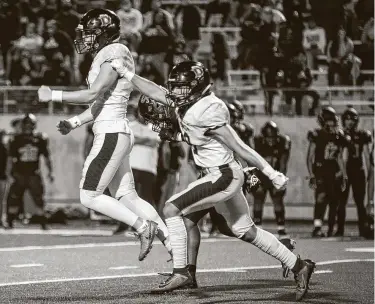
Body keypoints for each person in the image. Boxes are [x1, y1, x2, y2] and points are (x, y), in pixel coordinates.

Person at [111, 59, 316, 300]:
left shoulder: (208, 109)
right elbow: (155, 90)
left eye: (180, 87)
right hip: (216, 173)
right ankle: (299, 265)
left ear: (196, 87)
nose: (175, 92)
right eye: (174, 87)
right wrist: (127, 73)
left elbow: (239, 146)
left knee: (171, 209)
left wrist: (270, 173)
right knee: (245, 230)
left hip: (223, 175)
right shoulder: (187, 103)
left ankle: (182, 272)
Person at [37, 8, 171, 261]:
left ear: (101, 32)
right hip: (114, 129)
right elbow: (101, 103)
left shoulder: (113, 52)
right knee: (127, 196)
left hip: (111, 132)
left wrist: (53, 95)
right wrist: (75, 121)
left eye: (88, 32)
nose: (84, 38)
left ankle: (143, 227)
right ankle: (177, 253)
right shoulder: (108, 53)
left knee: (89, 195)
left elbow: (91, 94)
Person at [4, 114, 53, 229]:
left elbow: (46, 157)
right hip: (20, 173)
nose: (28, 127)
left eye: (30, 124)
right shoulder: (16, 139)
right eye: (26, 124)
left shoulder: (40, 138)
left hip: (33, 173)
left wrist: (50, 171)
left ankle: (43, 223)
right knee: (14, 198)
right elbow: (10, 158)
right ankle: (10, 222)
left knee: (38, 198)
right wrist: (8, 173)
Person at [307, 107, 349, 237]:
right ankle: (317, 227)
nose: (332, 123)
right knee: (320, 198)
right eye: (329, 120)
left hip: (334, 171)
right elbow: (310, 157)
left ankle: (331, 228)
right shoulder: (317, 134)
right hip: (320, 170)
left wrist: (344, 174)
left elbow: (340, 157)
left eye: (333, 120)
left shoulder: (339, 135)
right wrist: (312, 175)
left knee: (334, 200)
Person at [336, 107, 372, 237]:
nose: (349, 122)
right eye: (347, 119)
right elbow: (340, 156)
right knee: (341, 202)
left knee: (359, 202)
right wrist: (342, 173)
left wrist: (370, 172)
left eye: (352, 119)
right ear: (343, 120)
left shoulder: (363, 134)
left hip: (358, 171)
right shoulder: (340, 134)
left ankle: (363, 229)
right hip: (346, 171)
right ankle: (339, 229)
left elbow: (367, 156)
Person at [253, 121, 291, 237]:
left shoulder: (283, 142)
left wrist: (280, 180)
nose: (271, 140)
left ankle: (281, 227)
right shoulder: (258, 142)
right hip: (260, 176)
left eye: (273, 137)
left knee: (277, 200)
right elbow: (253, 162)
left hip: (275, 174)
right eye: (268, 137)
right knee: (258, 199)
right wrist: (254, 179)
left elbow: (284, 163)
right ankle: (257, 227)